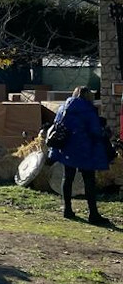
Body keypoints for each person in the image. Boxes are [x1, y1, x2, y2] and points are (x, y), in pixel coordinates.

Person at [48, 87, 110, 225]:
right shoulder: (88, 110)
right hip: (85, 149)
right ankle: (93, 214)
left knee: (67, 177)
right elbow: (95, 131)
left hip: (67, 148)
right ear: (88, 97)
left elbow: (57, 125)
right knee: (89, 181)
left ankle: (67, 209)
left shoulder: (63, 108)